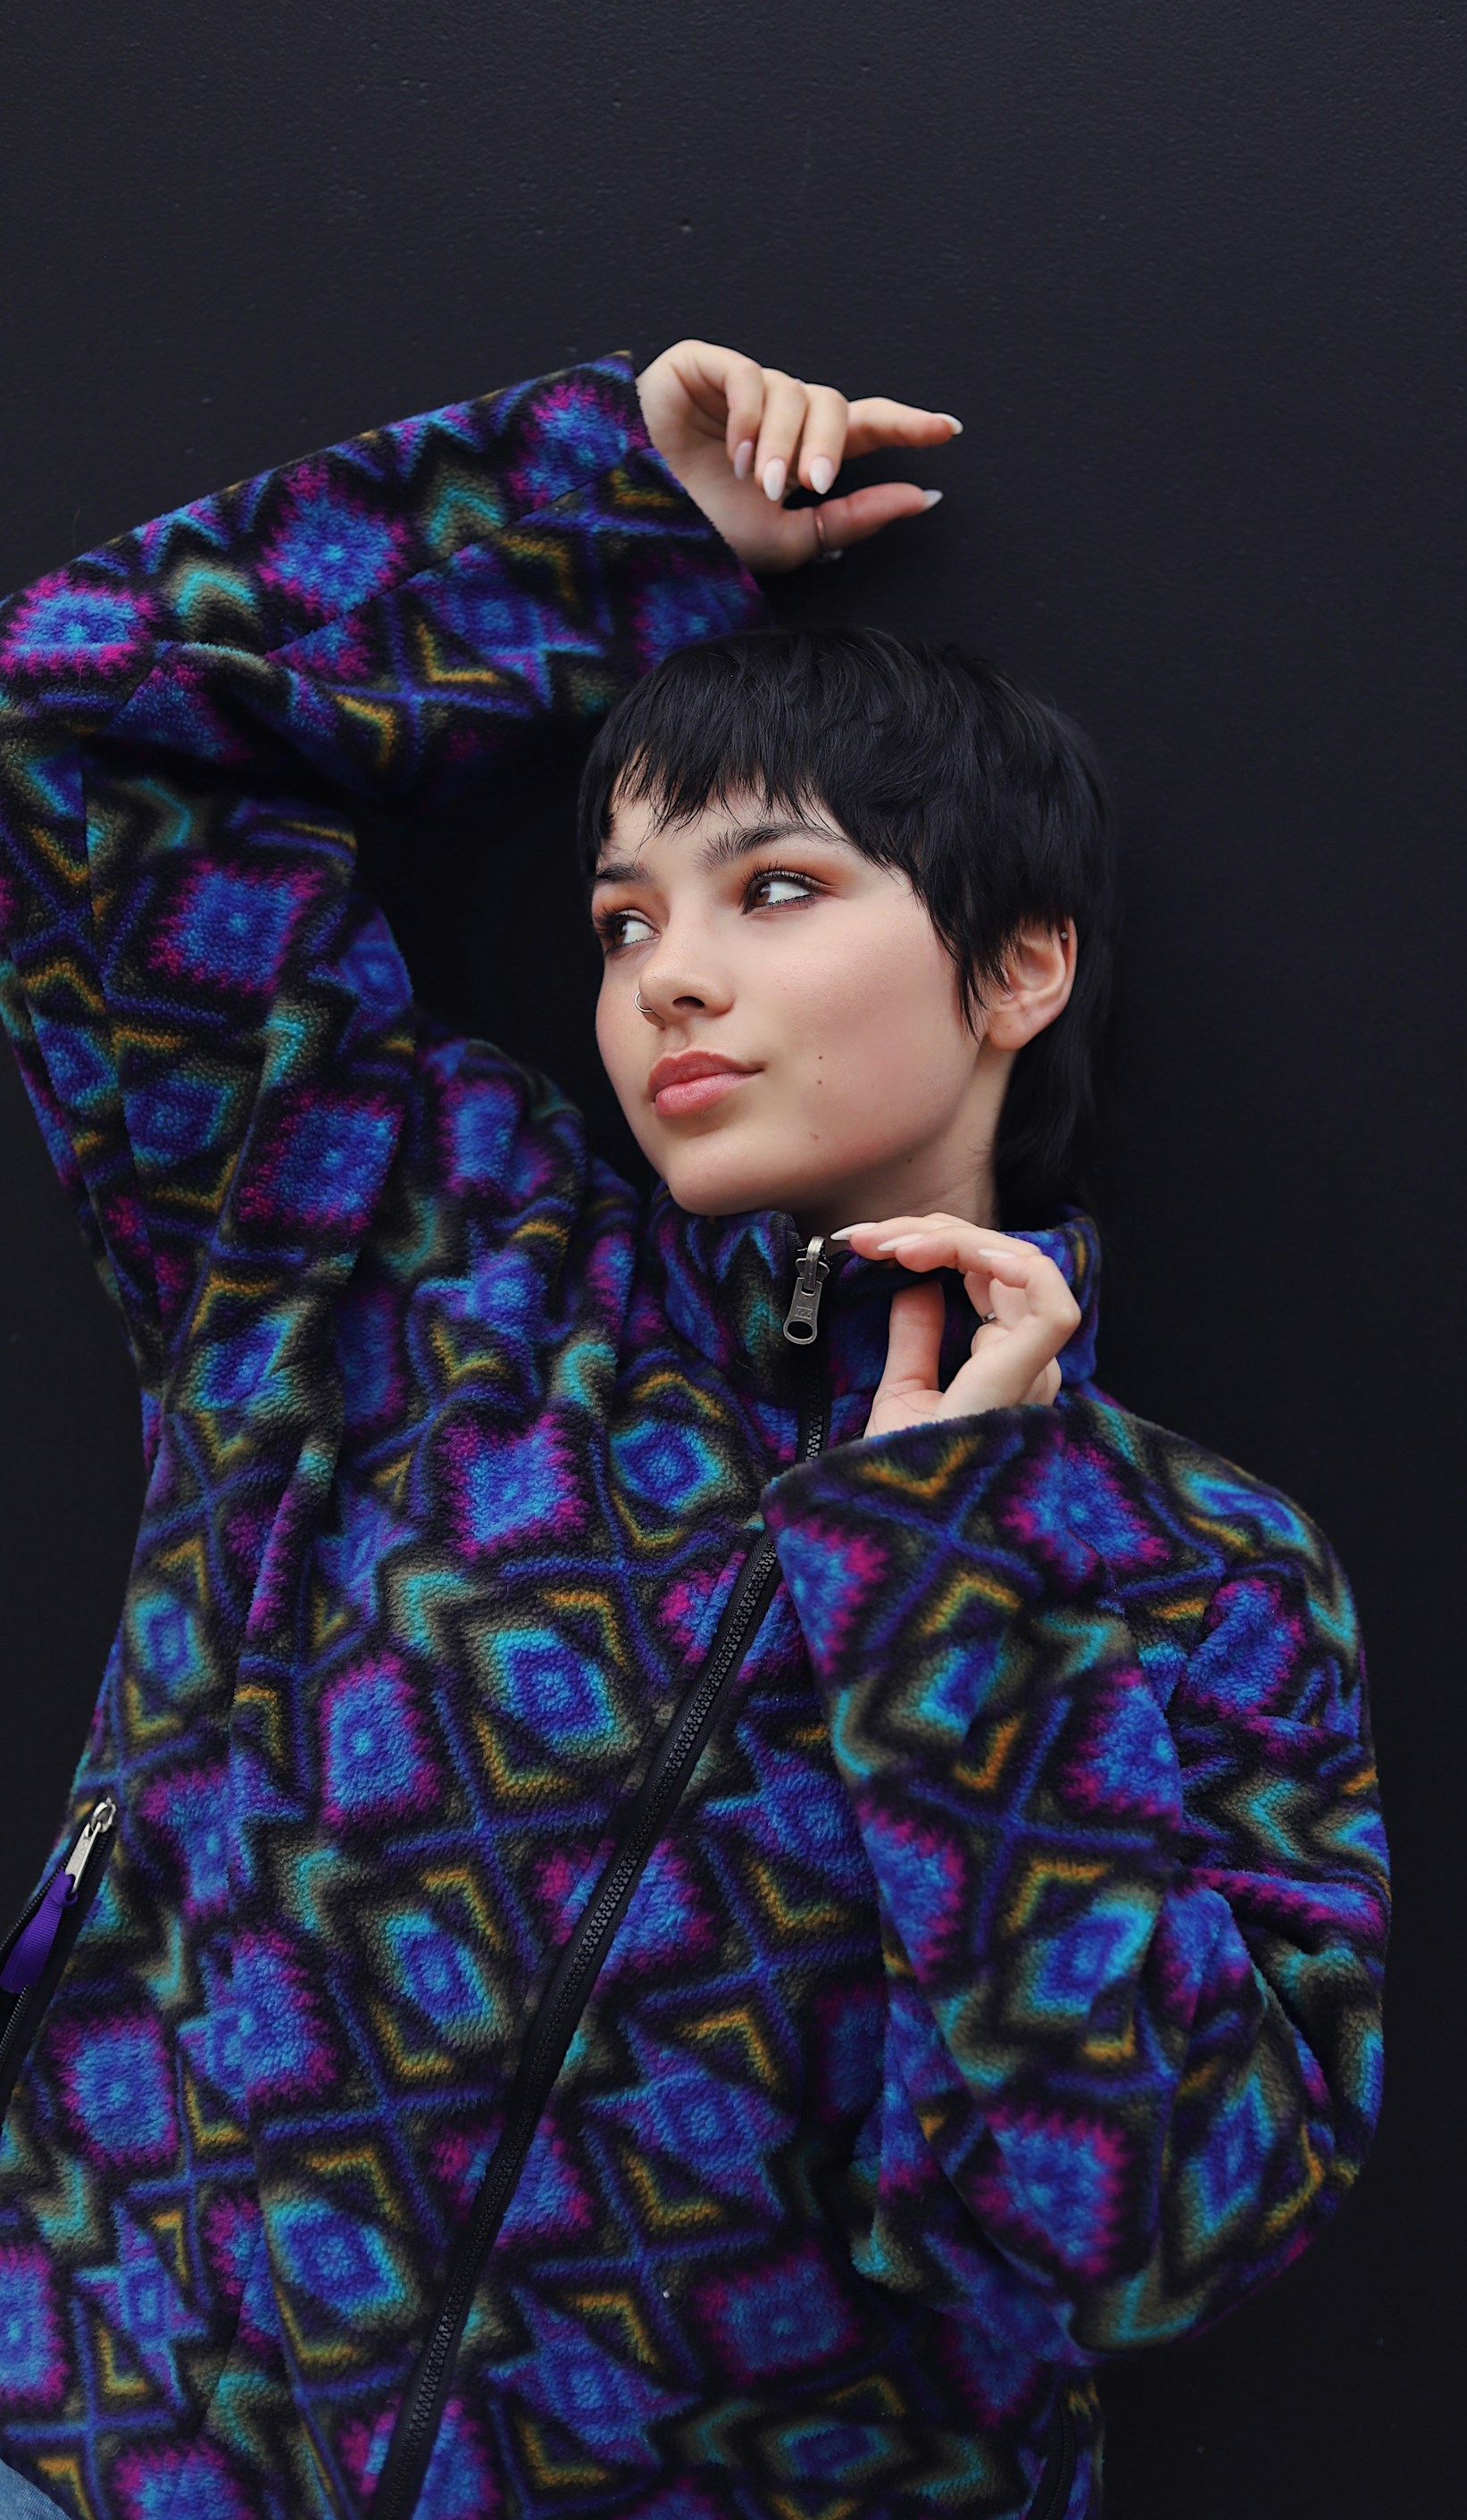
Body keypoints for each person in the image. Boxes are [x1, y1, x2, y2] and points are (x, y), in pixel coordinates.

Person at [0, 338, 1389, 2520]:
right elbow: (73, 707)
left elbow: (1156, 2224)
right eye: (624, 918)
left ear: (1018, 967)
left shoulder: (1191, 1572)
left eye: (775, 890)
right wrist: (606, 529)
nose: (665, 975)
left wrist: (953, 1581)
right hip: (108, 2447)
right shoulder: (392, 1229)